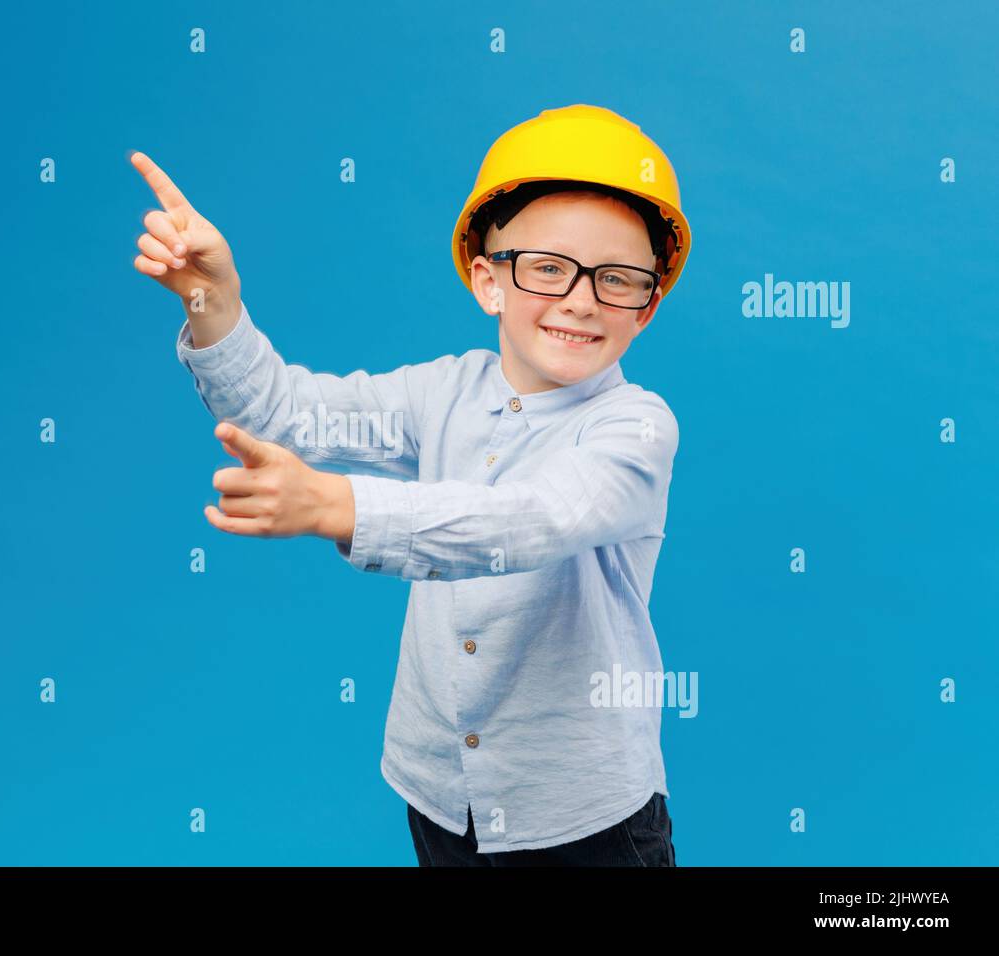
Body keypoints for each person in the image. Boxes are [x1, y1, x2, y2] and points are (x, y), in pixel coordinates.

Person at [131, 104, 691, 866]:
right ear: (487, 280)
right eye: (548, 268)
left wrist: (339, 505)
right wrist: (211, 303)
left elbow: (530, 520)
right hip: (439, 794)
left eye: (618, 279)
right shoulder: (442, 393)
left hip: (584, 816)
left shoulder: (636, 427)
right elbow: (289, 415)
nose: (582, 298)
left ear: (649, 306)